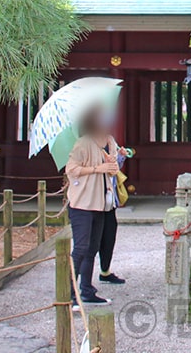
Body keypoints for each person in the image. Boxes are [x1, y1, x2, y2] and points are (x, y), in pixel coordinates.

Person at [65, 106, 120, 307]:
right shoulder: (84, 143)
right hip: (82, 204)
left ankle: (87, 291)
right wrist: (98, 168)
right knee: (80, 248)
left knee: (92, 248)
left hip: (102, 203)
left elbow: (113, 171)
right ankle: (68, 292)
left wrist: (113, 166)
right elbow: (71, 169)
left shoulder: (110, 141)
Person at [97, 147, 133, 285]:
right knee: (91, 242)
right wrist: (100, 166)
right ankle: (80, 282)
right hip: (94, 199)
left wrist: (120, 156)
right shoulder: (87, 146)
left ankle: (105, 271)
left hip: (109, 198)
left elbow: (115, 168)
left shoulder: (110, 141)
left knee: (109, 234)